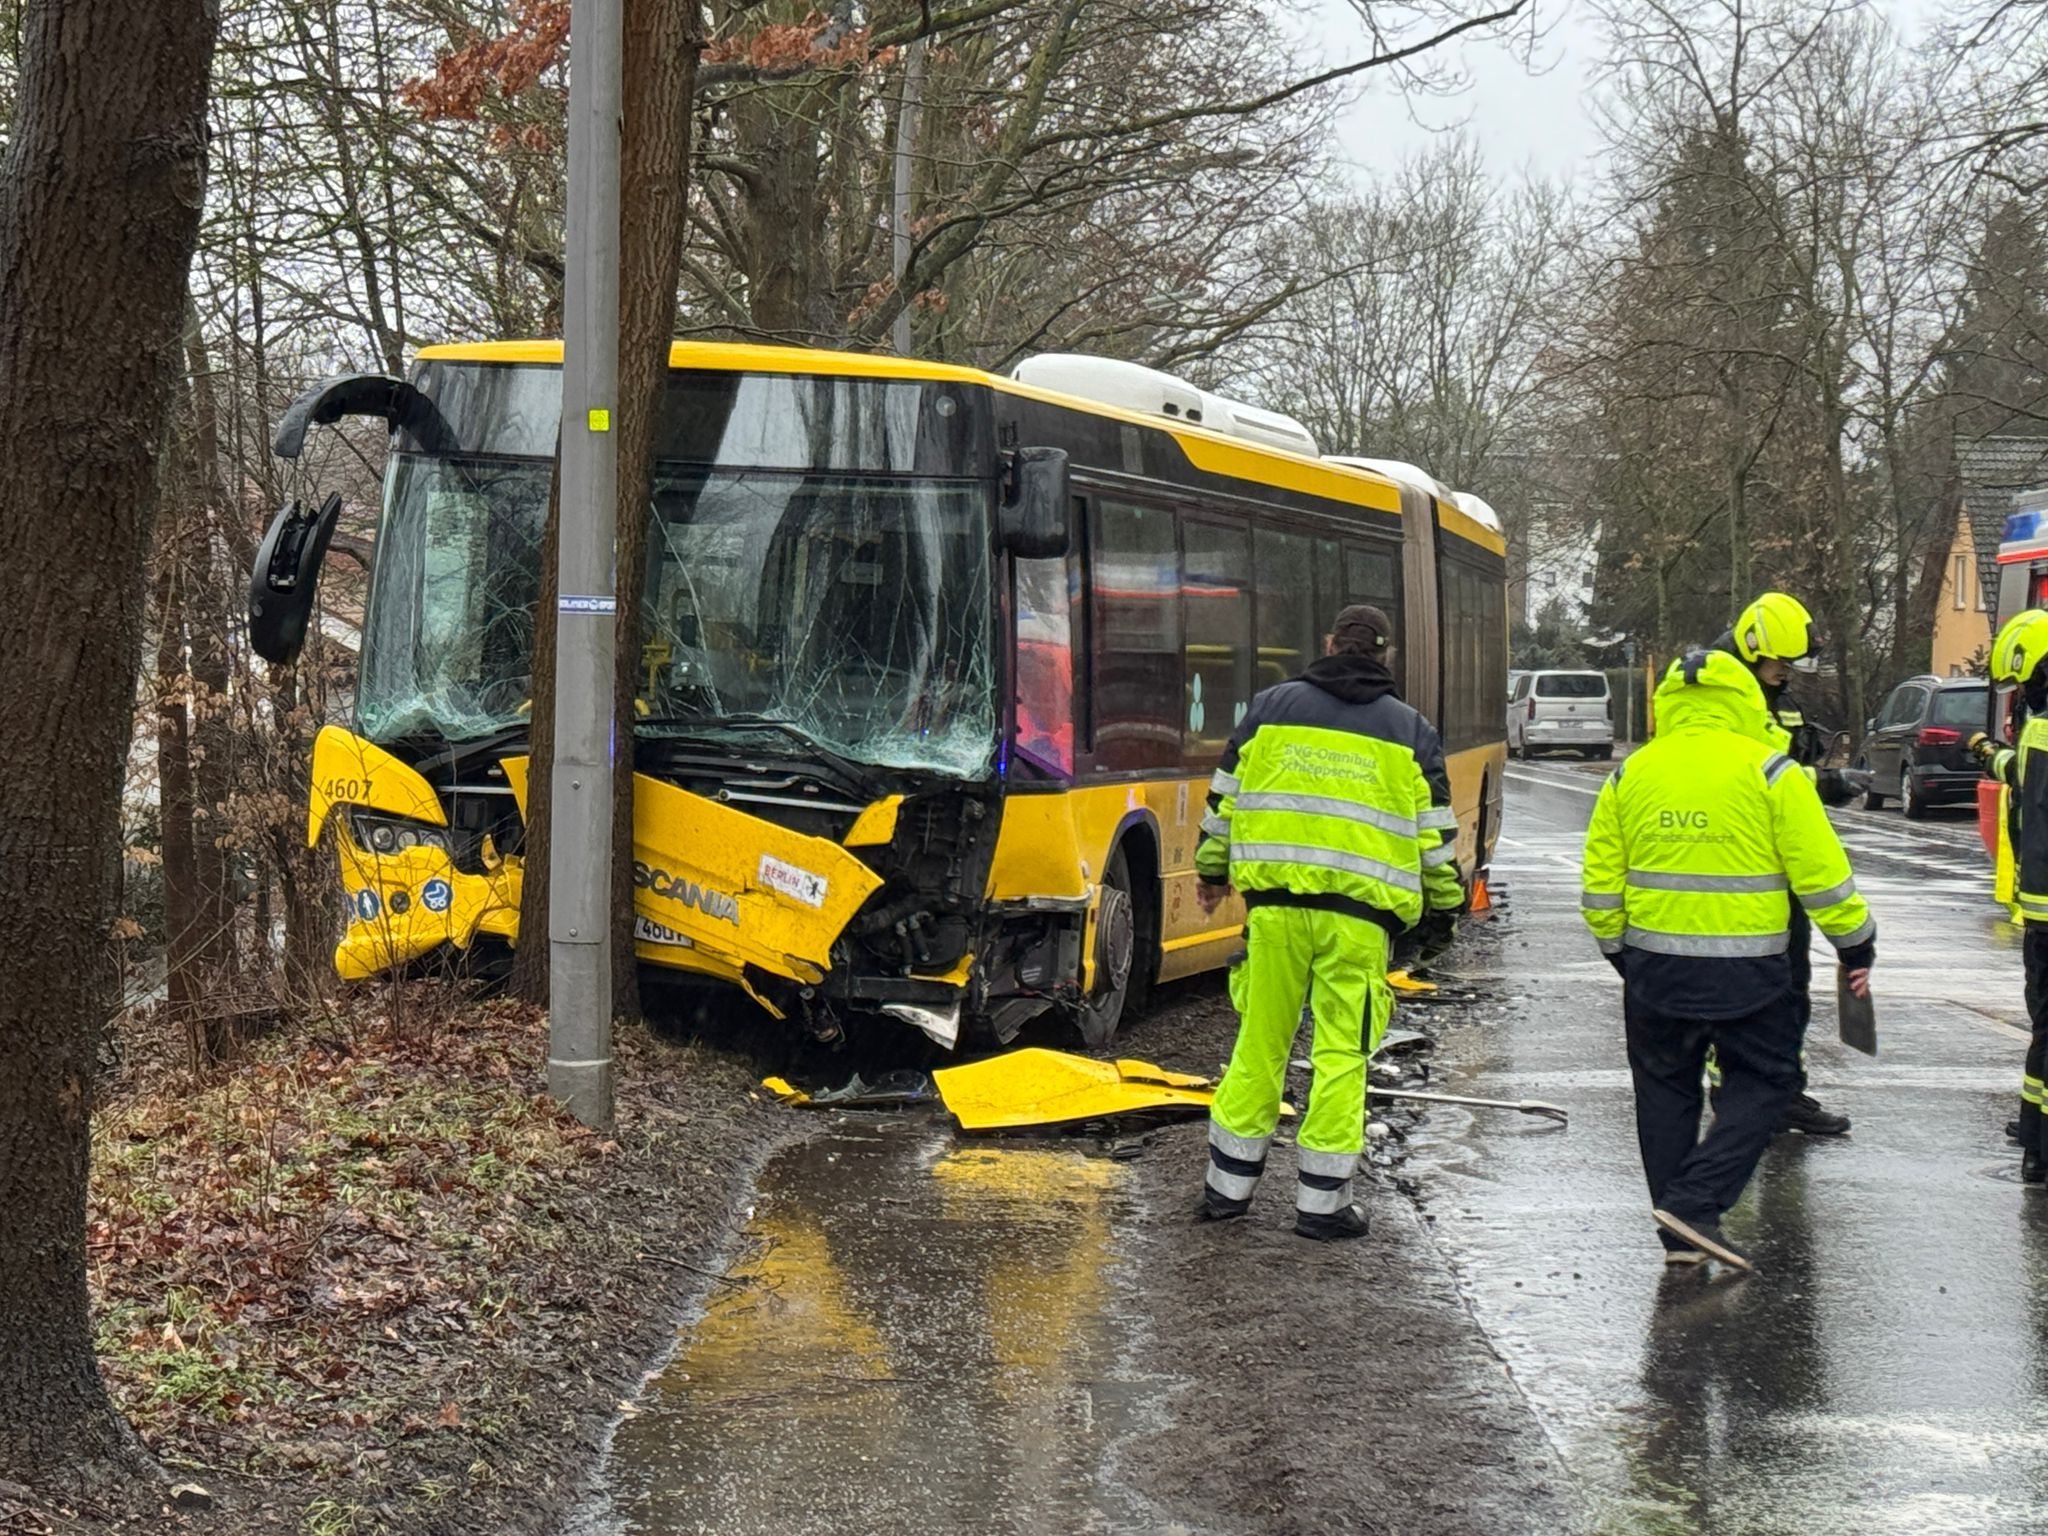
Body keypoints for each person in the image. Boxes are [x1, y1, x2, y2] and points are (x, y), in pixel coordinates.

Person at [1581, 647, 1875, 1272]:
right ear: (1743, 700)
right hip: (1752, 971)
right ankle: (1694, 1203)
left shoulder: (1630, 775)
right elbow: (1822, 877)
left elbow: (1600, 888)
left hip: (1654, 968)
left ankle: (1681, 1235)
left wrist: (1621, 953)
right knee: (1767, 1082)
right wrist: (1856, 943)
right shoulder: (1772, 773)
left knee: (1663, 1092)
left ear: (1667, 705)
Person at [1193, 604, 1463, 1241]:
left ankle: (1226, 1192)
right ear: (1386, 653)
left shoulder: (1269, 708)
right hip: (1359, 924)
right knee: (1343, 1053)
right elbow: (1435, 841)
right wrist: (1443, 908)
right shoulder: (1412, 731)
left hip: (1275, 913)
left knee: (1259, 1045)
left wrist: (1211, 871)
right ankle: (1321, 1206)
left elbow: (1223, 799)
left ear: (1329, 642)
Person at [1710, 592, 1853, 1138]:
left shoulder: (1775, 694)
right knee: (1745, 989)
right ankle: (1736, 1095)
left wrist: (1817, 776)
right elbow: (1752, 779)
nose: (1785, 674)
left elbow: (1791, 763)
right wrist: (1825, 784)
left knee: (1792, 984)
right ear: (1750, 650)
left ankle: (1781, 1091)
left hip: (1779, 863)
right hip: (1737, 865)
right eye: (1778, 665)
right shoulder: (1717, 699)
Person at [1969, 608, 2048, 1183]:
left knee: (2044, 1028)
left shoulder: (2040, 730)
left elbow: (2021, 774)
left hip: (2043, 909)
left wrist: (1983, 748)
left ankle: (2036, 1143)